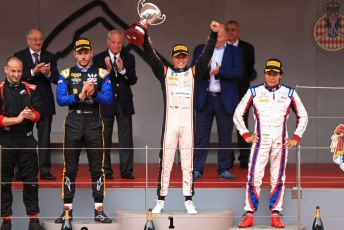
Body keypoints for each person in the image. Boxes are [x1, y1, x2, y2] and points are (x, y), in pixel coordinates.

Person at [143, 21, 220, 215]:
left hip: (187, 123)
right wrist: (144, 33)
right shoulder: (165, 72)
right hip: (170, 123)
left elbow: (206, 56)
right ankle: (160, 200)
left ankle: (189, 200)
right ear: (172, 57)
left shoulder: (194, 73)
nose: (180, 59)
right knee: (166, 163)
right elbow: (151, 57)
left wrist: (213, 34)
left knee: (188, 163)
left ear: (187, 58)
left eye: (183, 56)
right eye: (177, 56)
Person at [233, 58, 308, 228]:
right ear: (265, 73)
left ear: (280, 75)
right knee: (254, 176)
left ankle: (275, 213)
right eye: (269, 73)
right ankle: (249, 213)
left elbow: (303, 115)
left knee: (278, 177)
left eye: (275, 74)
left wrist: (296, 137)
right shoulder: (254, 91)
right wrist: (245, 134)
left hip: (281, 141)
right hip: (261, 140)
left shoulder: (289, 93)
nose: (271, 76)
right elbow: (238, 113)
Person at [54, 38, 113, 224]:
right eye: (80, 52)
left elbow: (108, 100)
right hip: (73, 121)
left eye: (86, 52)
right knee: (70, 168)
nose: (83, 56)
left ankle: (99, 210)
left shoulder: (102, 73)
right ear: (74, 54)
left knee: (97, 168)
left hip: (94, 121)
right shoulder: (66, 73)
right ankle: (67, 212)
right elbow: (61, 100)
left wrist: (94, 92)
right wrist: (80, 95)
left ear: (91, 52)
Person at [192, 24, 243, 180]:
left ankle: (224, 169)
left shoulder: (235, 51)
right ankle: (197, 169)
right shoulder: (201, 49)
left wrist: (220, 72)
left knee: (225, 136)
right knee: (201, 136)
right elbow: (193, 70)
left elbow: (238, 72)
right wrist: (205, 66)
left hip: (224, 99)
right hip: (205, 98)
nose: (216, 39)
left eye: (220, 36)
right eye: (214, 36)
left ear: (227, 36)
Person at [0, 57, 45, 230]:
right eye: (13, 71)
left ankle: (33, 220)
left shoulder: (31, 88)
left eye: (19, 71)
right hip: (5, 140)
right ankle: (6, 220)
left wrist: (33, 116)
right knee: (4, 182)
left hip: (26, 139)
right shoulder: (1, 89)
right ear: (6, 69)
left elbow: (40, 113)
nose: (16, 74)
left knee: (31, 181)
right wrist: (17, 119)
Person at [15, 28, 58, 180]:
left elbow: (57, 79)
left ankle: (45, 171)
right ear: (28, 40)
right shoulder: (19, 56)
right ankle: (22, 171)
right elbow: (17, 78)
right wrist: (33, 71)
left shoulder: (49, 56)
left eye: (40, 39)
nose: (38, 42)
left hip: (45, 104)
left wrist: (48, 73)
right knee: (23, 138)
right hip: (24, 103)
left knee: (44, 138)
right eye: (35, 39)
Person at [93, 30, 138, 180]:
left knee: (126, 138)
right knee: (104, 138)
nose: (116, 45)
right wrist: (108, 71)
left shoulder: (129, 57)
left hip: (124, 102)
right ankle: (106, 171)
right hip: (106, 102)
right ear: (108, 42)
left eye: (119, 42)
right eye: (113, 42)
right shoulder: (98, 58)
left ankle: (126, 171)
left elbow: (132, 79)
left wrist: (122, 69)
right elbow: (95, 83)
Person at [225, 20, 257, 169]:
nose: (230, 32)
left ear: (238, 31)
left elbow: (250, 70)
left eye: (233, 30)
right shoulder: (220, 47)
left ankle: (244, 158)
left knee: (242, 124)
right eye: (228, 30)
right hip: (224, 91)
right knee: (225, 125)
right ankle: (227, 158)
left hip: (241, 91)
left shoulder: (248, 48)